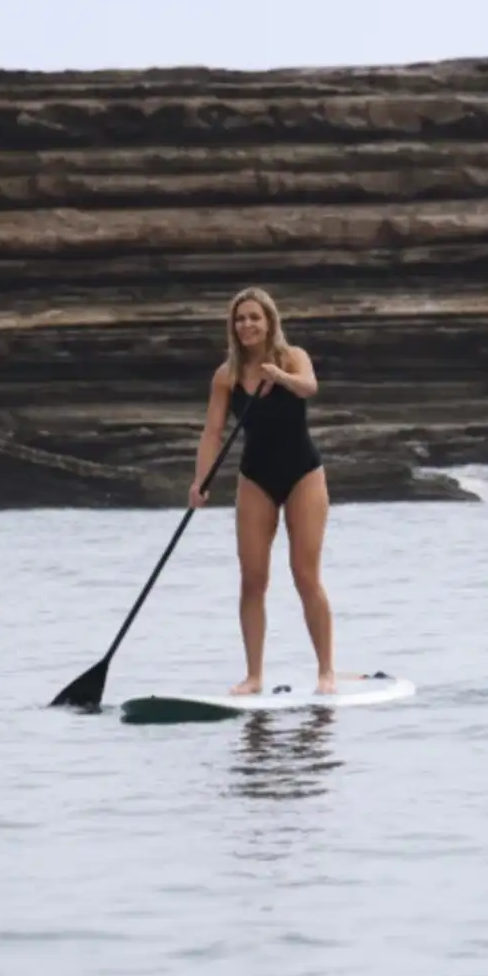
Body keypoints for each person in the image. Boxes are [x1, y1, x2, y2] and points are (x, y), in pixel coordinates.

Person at [190, 287, 336, 695]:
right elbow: (213, 432)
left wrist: (280, 377)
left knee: (305, 575)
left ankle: (326, 671)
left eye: (255, 317)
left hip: (303, 473)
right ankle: (254, 676)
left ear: (269, 322)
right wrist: (199, 482)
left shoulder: (293, 357)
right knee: (252, 579)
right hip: (256, 477)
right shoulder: (227, 375)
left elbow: (309, 387)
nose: (247, 325)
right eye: (240, 319)